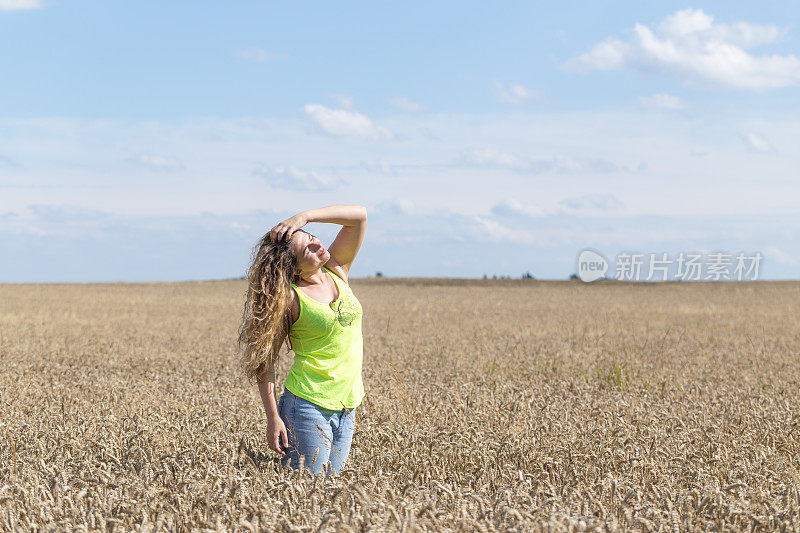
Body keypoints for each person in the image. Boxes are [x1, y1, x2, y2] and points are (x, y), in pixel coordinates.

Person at [238, 205, 367, 476]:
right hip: (307, 407)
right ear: (294, 269)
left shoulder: (337, 271)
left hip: (347, 405)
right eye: (307, 247)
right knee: (307, 493)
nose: (317, 243)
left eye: (312, 236)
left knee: (332, 489)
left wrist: (304, 217)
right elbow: (264, 360)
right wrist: (273, 418)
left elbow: (359, 217)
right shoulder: (290, 299)